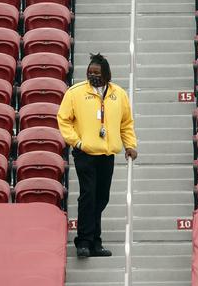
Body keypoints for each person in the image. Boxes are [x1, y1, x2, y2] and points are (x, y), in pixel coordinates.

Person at [57, 54, 138, 258]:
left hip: (107, 154)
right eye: (90, 72)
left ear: (106, 74)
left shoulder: (118, 94)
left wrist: (130, 145)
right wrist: (77, 142)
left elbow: (126, 123)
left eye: (97, 72)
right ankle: (84, 241)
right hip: (85, 153)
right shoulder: (75, 92)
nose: (92, 75)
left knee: (102, 197)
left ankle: (95, 242)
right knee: (88, 194)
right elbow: (63, 119)